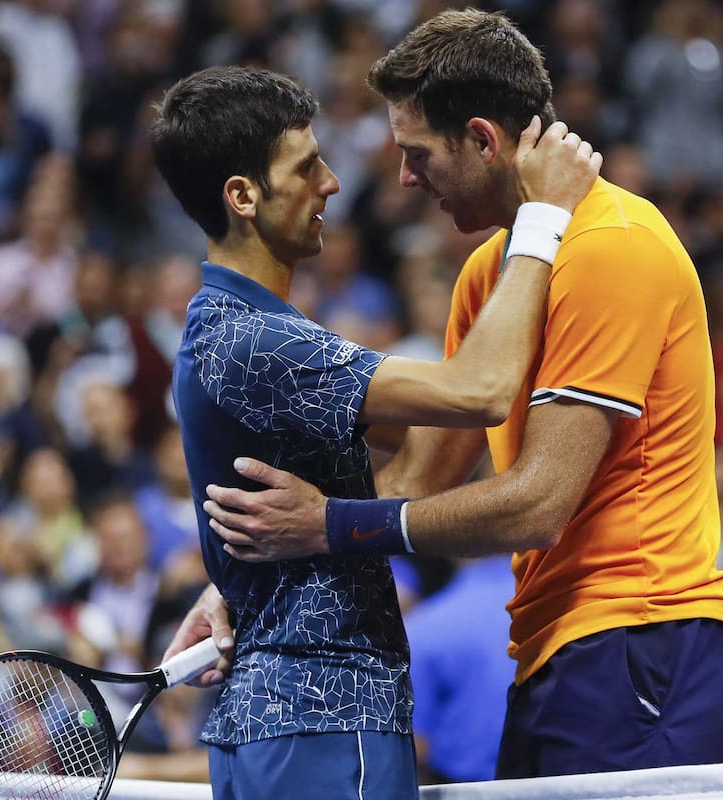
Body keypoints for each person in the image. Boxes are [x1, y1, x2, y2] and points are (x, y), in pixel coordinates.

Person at [189, 9, 723, 780]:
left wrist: (326, 525)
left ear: (484, 140)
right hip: (560, 647)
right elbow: (418, 480)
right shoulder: (494, 273)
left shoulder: (612, 247)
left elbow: (537, 505)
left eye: (418, 154)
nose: (406, 179)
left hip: (645, 637)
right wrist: (263, 592)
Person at [150, 64, 600, 799]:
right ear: (243, 196)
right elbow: (480, 391)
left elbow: (426, 455)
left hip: (288, 724)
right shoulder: (256, 342)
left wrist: (237, 586)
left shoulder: (243, 333)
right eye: (306, 166)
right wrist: (544, 220)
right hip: (325, 722)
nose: (331, 182)